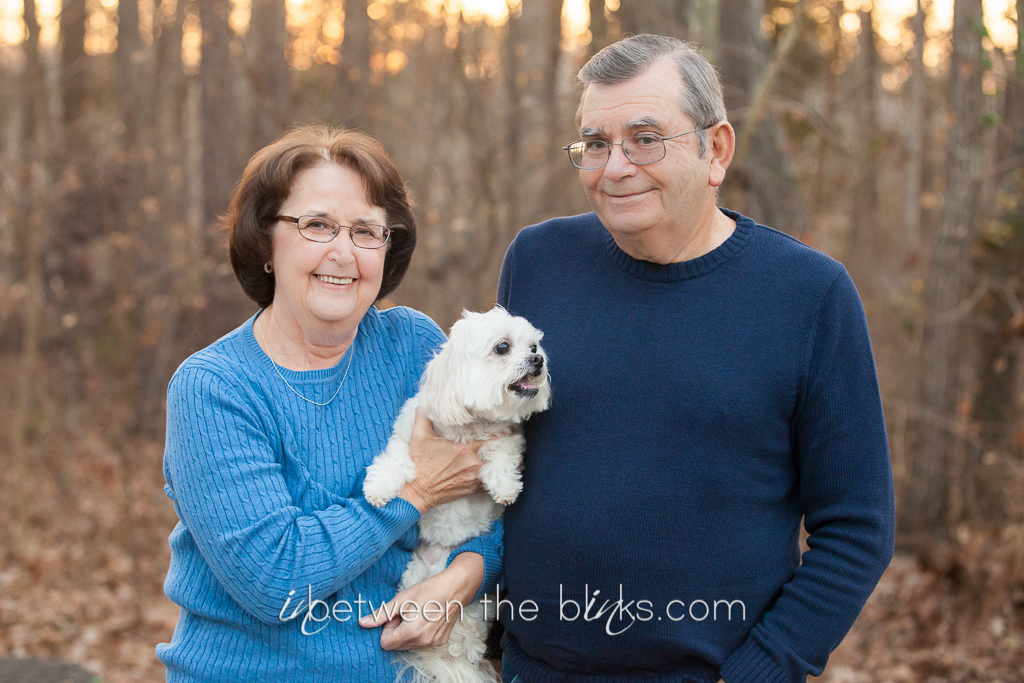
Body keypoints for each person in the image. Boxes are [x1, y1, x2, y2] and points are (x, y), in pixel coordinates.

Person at [492, 35, 896, 682]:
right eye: (595, 144)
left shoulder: (808, 295)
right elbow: (494, 452)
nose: (615, 167)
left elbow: (858, 527)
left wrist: (760, 669)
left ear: (717, 150)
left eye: (645, 139)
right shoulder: (538, 262)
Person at [156, 125, 500, 682]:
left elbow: (492, 490)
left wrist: (468, 573)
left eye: (366, 231)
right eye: (316, 225)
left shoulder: (413, 347)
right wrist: (414, 492)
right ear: (266, 243)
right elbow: (275, 580)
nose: (343, 252)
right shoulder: (215, 388)